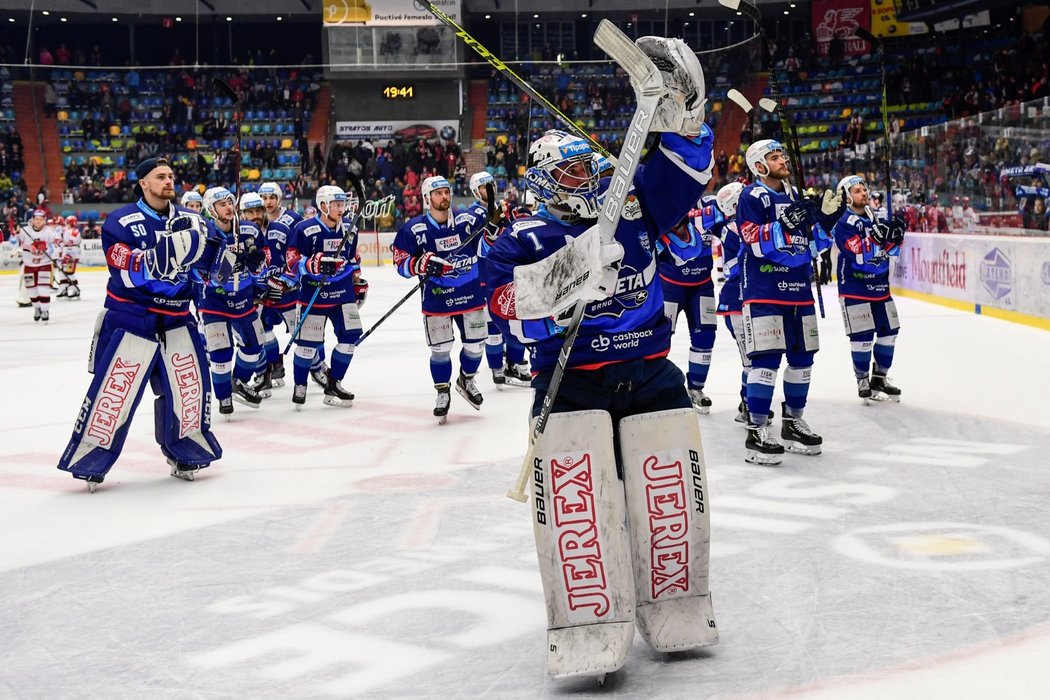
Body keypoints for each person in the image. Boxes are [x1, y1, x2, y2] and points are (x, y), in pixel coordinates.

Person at [482, 34, 718, 678]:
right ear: (541, 183)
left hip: (650, 374)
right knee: (580, 509)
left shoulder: (635, 200)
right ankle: (589, 615)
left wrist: (685, 114)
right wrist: (564, 279)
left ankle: (678, 600)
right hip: (573, 385)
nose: (585, 179)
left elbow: (689, 168)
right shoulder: (527, 234)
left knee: (668, 499)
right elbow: (498, 297)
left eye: (589, 167)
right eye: (569, 173)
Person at [56, 157, 225, 489]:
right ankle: (91, 456)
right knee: (115, 394)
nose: (168, 181)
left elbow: (213, 266)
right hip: (132, 319)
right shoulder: (121, 221)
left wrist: (234, 256)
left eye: (171, 175)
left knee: (187, 390)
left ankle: (186, 450)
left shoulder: (193, 220)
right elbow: (122, 266)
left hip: (177, 318)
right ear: (143, 183)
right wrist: (149, 259)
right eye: (160, 176)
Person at [736, 140, 834, 465]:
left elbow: (814, 246)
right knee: (766, 360)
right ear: (759, 165)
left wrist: (827, 222)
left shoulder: (796, 196)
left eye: (782, 155)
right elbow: (751, 238)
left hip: (798, 290)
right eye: (774, 156)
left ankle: (793, 422)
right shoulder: (751, 195)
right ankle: (758, 430)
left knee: (803, 359)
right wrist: (783, 225)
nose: (783, 160)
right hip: (764, 289)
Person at [392, 175, 488, 421]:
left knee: (476, 346)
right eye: (438, 193)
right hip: (438, 299)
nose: (444, 196)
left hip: (470, 293)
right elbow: (400, 261)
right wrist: (419, 264)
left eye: (446, 192)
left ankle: (466, 380)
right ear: (427, 198)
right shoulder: (414, 229)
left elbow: (490, 242)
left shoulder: (468, 221)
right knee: (441, 350)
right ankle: (442, 391)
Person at [285, 185, 363, 408]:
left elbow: (353, 258)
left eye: (343, 204)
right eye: (337, 205)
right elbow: (291, 260)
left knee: (350, 339)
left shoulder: (350, 229)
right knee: (308, 346)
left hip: (342, 294)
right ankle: (300, 384)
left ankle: (334, 382)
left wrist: (358, 283)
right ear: (323, 205)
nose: (342, 209)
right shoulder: (305, 229)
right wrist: (311, 264)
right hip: (313, 294)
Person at [195, 188, 269, 416]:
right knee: (220, 352)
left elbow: (263, 261)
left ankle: (238, 381)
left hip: (244, 298)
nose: (228, 207)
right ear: (211, 210)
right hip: (214, 302)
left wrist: (258, 265)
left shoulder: (249, 229)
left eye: (230, 202)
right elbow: (199, 274)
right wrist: (225, 266)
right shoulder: (203, 234)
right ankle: (224, 397)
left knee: (255, 346)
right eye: (222, 204)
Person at [831, 175, 904, 402]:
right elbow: (857, 254)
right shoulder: (843, 221)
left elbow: (891, 252)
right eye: (857, 190)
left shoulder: (875, 217)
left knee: (889, 333)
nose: (863, 193)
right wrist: (875, 238)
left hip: (881, 286)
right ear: (846, 197)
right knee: (862, 336)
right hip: (855, 287)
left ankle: (879, 378)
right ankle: (862, 380)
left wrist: (896, 237)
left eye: (864, 189)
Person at [658, 196, 719, 413]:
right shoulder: (668, 202)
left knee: (706, 337)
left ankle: (696, 388)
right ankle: (658, 388)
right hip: (670, 285)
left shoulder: (712, 203)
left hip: (702, 285)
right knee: (661, 337)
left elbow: (731, 228)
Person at [711, 181, 756, 423]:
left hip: (751, 297)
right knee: (750, 358)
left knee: (757, 356)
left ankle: (747, 402)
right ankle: (748, 405)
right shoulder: (732, 229)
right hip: (736, 301)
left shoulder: (747, 223)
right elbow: (730, 268)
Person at [15, 209, 60, 321]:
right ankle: (37, 308)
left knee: (43, 288)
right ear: (33, 220)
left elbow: (58, 244)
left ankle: (45, 310)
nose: (38, 221)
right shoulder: (24, 231)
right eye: (36, 219)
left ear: (44, 220)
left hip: (44, 264)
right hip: (29, 265)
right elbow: (16, 243)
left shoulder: (49, 231)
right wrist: (13, 234)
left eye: (40, 219)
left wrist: (46, 247)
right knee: (31, 289)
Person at [56, 215, 81, 299]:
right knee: (62, 272)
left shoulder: (74, 231)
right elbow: (62, 242)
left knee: (69, 272)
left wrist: (68, 255)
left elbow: (70, 242)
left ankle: (75, 289)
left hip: (71, 253)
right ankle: (64, 288)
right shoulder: (66, 230)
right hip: (66, 251)